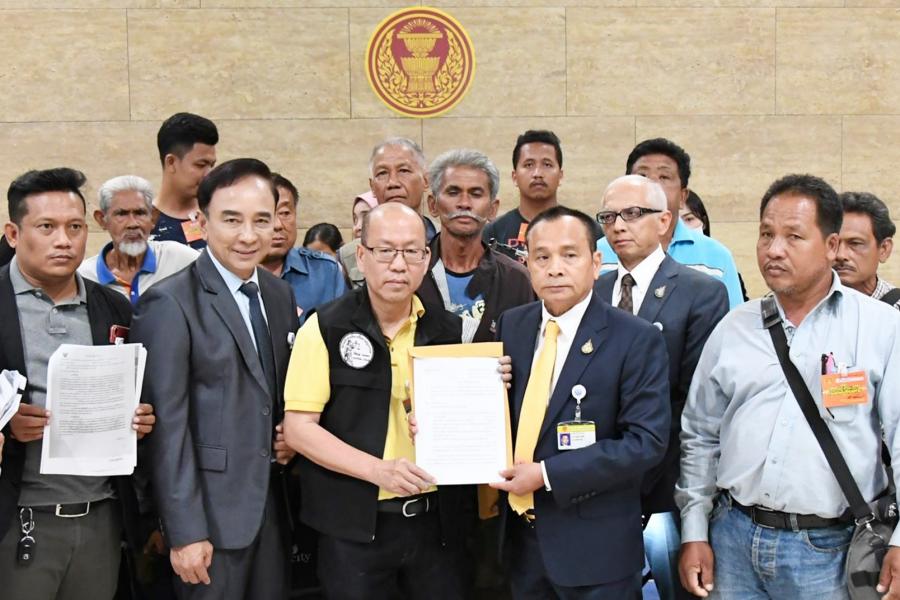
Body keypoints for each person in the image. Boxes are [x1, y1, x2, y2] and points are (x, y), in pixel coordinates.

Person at [677, 174, 900, 599]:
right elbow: (700, 436)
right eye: (766, 234)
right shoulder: (733, 328)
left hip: (830, 550)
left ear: (831, 246)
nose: (774, 249)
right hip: (732, 540)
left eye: (793, 236)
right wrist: (694, 530)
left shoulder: (882, 328)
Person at [283, 203, 470, 600]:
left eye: (411, 251)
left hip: (437, 527)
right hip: (353, 529)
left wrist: (491, 380)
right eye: (385, 251)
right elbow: (299, 430)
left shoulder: (451, 331)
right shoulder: (325, 327)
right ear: (362, 256)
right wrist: (378, 471)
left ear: (426, 259)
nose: (398, 265)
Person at [132, 158, 299, 600]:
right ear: (202, 223)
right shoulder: (170, 302)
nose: (248, 235)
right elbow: (166, 427)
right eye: (231, 220)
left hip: (273, 508)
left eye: (261, 220)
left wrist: (290, 437)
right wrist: (184, 531)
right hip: (207, 520)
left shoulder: (278, 294)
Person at [491, 206, 670, 598]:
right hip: (521, 547)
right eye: (542, 257)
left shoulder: (635, 338)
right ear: (527, 264)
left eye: (569, 255)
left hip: (596, 552)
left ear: (596, 263)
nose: (555, 269)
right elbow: (500, 415)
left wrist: (547, 474)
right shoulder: (512, 325)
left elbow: (645, 442)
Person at [0, 167, 156, 600]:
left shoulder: (113, 307)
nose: (64, 240)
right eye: (46, 227)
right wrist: (6, 422)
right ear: (13, 234)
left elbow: (138, 391)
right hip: (18, 516)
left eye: (74, 227)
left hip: (101, 515)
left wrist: (141, 418)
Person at [594, 175, 729, 600]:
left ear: (665, 221)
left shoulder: (701, 291)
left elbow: (696, 402)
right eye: (608, 217)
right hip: (598, 481)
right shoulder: (593, 290)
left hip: (667, 481)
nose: (619, 226)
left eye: (633, 214)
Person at [597, 138, 744, 307]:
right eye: (642, 176)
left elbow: (732, 319)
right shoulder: (597, 252)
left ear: (682, 196)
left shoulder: (715, 256)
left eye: (664, 177)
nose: (652, 184)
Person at [420, 148, 534, 344]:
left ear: (492, 209)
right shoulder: (412, 273)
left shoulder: (516, 280)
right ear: (433, 205)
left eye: (476, 194)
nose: (464, 203)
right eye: (453, 192)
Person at [79, 175, 199, 304]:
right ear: (102, 220)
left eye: (140, 213)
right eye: (121, 214)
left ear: (153, 218)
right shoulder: (83, 277)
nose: (133, 224)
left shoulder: (180, 259)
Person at [340, 138, 436, 289]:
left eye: (404, 171)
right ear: (372, 186)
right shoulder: (349, 256)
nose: (393, 183)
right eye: (382, 173)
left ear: (425, 180)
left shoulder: (446, 244)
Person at [259, 173, 347, 321]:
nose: (278, 225)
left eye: (285, 213)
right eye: (265, 215)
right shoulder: (232, 273)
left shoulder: (326, 271)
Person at [482, 130, 565, 252]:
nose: (537, 174)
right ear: (514, 177)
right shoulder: (492, 233)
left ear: (560, 176)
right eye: (529, 165)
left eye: (547, 165)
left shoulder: (584, 229)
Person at [150, 112, 218, 249]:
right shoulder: (142, 224)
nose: (208, 174)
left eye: (211, 165)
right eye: (200, 165)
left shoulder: (219, 217)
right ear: (171, 162)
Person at [835, 191, 900, 309]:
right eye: (833, 244)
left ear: (884, 249)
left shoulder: (896, 310)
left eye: (855, 243)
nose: (840, 254)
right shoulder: (808, 307)